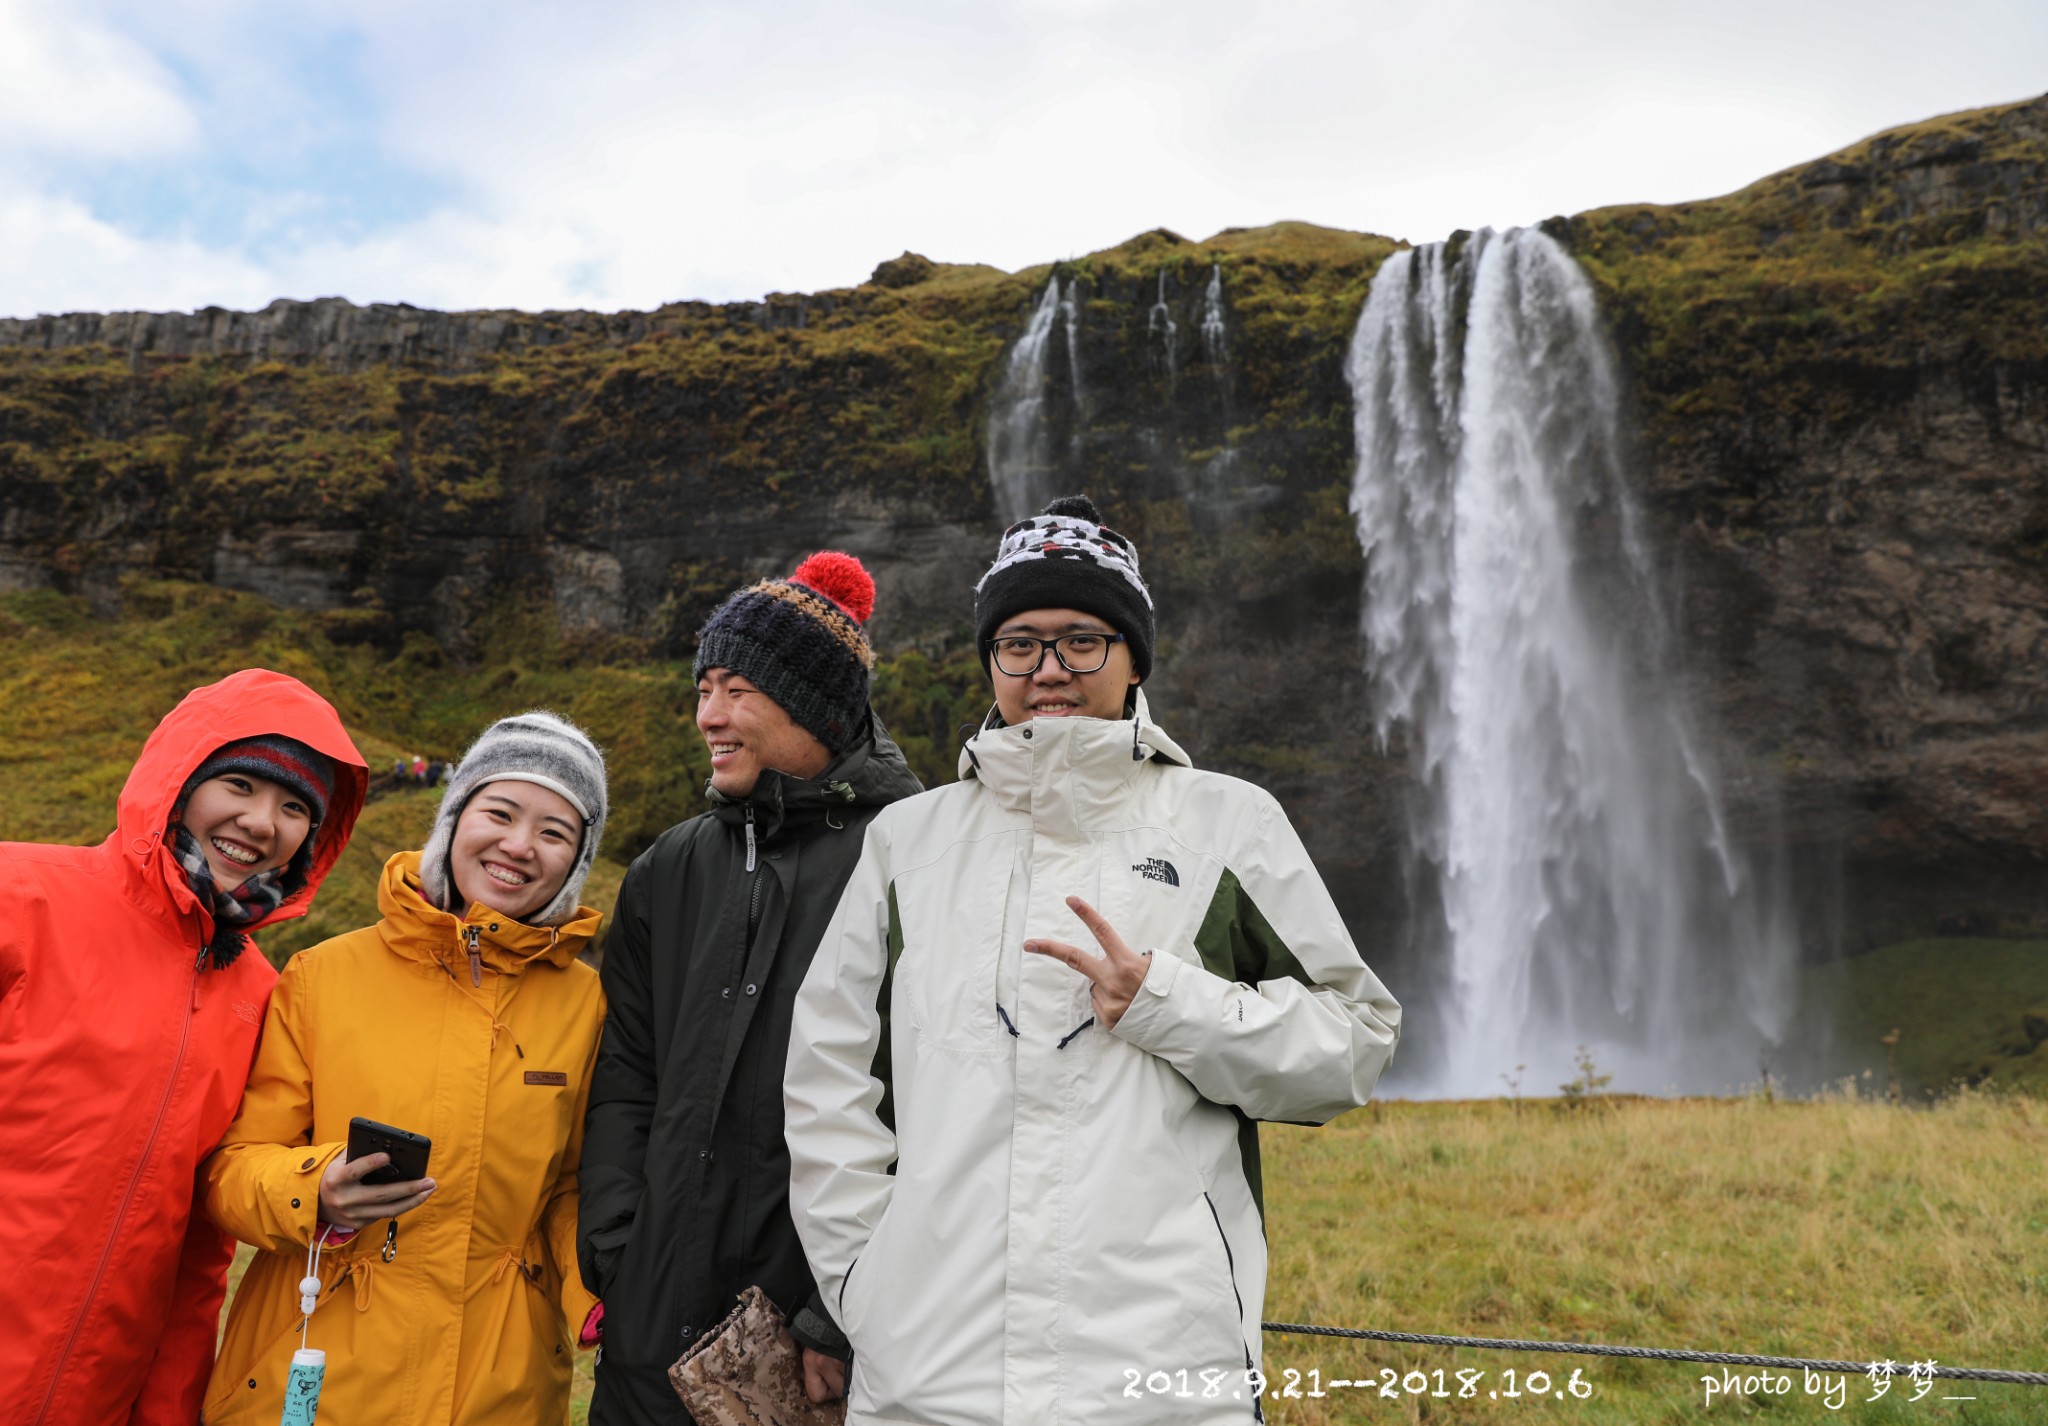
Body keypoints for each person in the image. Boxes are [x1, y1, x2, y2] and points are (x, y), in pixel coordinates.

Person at [784, 496, 1403, 1425]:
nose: (1049, 669)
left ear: (1133, 655)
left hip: (1161, 1374)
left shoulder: (1228, 823)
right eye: (1020, 643)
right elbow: (827, 1077)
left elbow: (1354, 1043)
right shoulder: (908, 844)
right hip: (929, 1376)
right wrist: (865, 1285)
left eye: (1082, 640)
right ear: (991, 658)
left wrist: (1168, 1002)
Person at [579, 551, 922, 1424]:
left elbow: (937, 1107)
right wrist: (619, 1252)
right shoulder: (669, 867)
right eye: (703, 690)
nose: (709, 716)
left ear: (811, 700)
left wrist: (835, 1314)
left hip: (821, 1348)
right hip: (648, 1332)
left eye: (737, 689)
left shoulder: (918, 861)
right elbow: (627, 1075)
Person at [200, 711, 611, 1424]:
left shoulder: (588, 1004)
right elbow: (231, 1171)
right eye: (501, 812)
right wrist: (314, 1192)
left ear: (576, 860)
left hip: (499, 1388)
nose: (519, 846)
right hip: (316, 1374)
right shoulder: (323, 975)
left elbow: (570, 1190)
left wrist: (597, 1300)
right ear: (455, 818)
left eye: (555, 832)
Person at [0, 668, 367, 1426]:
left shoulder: (261, 995)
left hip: (88, 1399)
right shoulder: (19, 895)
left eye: (295, 807)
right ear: (177, 782)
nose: (262, 822)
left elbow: (197, 1251)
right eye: (238, 785)